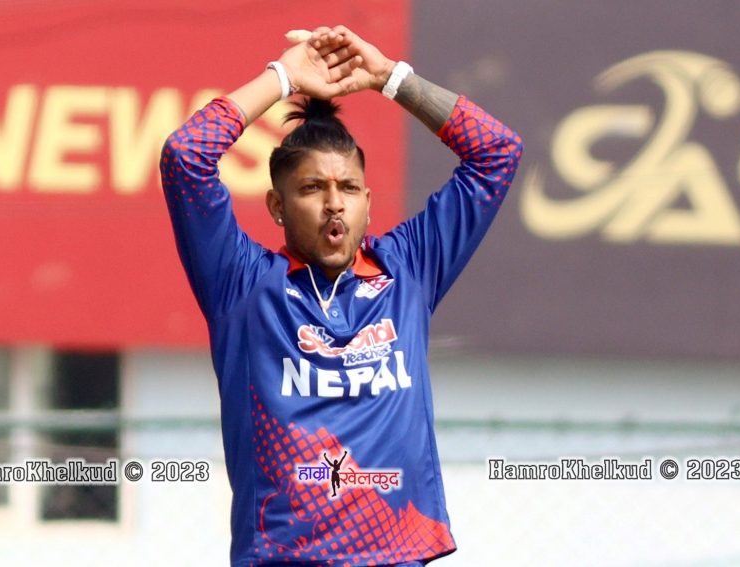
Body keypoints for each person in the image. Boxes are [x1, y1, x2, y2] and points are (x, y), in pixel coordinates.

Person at [161, 25, 522, 567]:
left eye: (348, 188)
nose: (335, 203)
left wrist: (389, 78)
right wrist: (282, 77)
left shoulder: (407, 270)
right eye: (312, 188)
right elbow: (185, 155)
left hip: (398, 554)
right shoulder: (243, 285)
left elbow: (497, 152)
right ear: (277, 206)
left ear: (367, 203)